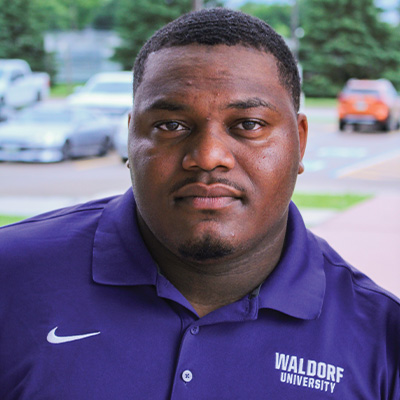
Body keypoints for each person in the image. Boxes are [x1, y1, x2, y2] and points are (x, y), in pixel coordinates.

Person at [0, 8, 399, 400]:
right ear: (131, 139)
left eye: (249, 124)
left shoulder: (382, 339)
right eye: (171, 125)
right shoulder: (10, 277)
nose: (208, 156)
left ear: (300, 142)